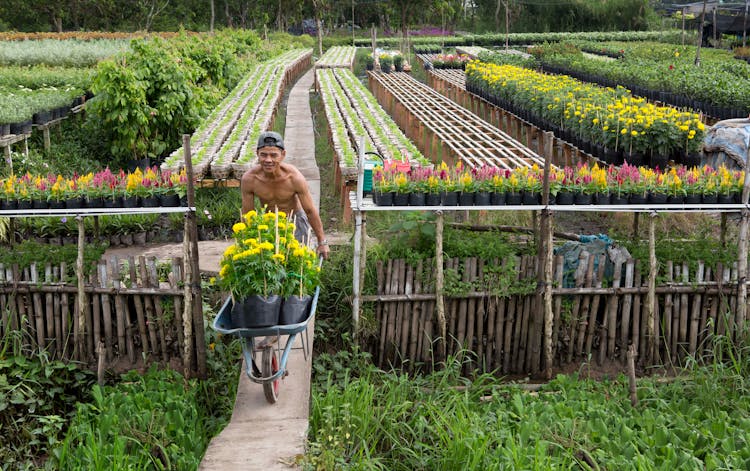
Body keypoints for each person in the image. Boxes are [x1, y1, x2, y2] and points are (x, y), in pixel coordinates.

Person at [240, 131, 330, 259]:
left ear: (283, 155)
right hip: (268, 223)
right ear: (257, 154)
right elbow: (248, 214)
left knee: (299, 261)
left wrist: (322, 242)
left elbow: (309, 210)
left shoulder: (294, 178)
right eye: (263, 155)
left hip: (294, 222)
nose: (268, 160)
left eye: (273, 155)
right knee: (269, 263)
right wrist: (247, 241)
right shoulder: (249, 179)